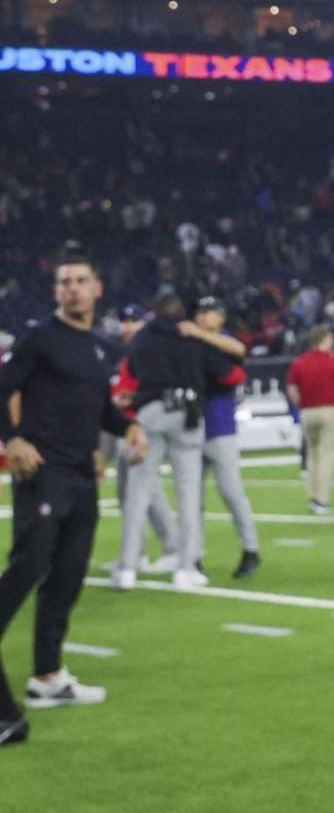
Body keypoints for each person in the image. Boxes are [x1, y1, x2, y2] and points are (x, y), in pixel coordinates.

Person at [0, 256, 148, 744]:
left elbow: (99, 408)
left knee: (65, 580)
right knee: (27, 570)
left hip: (83, 478)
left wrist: (128, 426)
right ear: (56, 291)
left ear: (98, 287)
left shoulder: (101, 348)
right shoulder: (39, 337)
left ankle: (48, 677)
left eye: (82, 281)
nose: (74, 289)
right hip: (43, 475)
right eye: (65, 282)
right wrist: (12, 439)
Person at [121, 294, 235, 589]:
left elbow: (132, 369)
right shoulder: (192, 335)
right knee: (188, 494)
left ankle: (128, 569)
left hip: (149, 413)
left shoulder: (143, 337)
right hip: (187, 413)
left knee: (138, 491)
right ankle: (186, 568)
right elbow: (227, 370)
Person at [190, 299, 260, 580]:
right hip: (192, 426)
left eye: (210, 313)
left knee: (231, 491)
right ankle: (192, 555)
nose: (204, 317)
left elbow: (238, 357)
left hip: (220, 425)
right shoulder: (194, 344)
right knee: (192, 498)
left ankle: (251, 548)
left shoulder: (222, 343)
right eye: (201, 312)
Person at [107, 304, 179, 576]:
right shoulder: (127, 353)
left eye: (133, 321)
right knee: (129, 492)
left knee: (146, 490)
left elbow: (150, 388)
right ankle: (137, 552)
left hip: (141, 426)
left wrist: (129, 399)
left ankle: (171, 548)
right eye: (124, 321)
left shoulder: (148, 351)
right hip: (125, 425)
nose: (127, 326)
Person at [285, 326, 334, 516]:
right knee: (326, 456)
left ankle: (313, 496)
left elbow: (292, 389)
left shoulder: (300, 362)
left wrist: (301, 403)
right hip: (327, 409)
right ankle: (322, 499)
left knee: (312, 455)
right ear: (324, 339)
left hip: (307, 411)